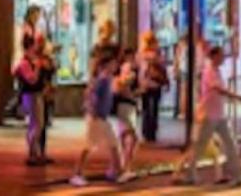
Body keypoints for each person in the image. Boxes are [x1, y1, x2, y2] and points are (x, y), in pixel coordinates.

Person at [173, 45, 241, 187]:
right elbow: (218, 89)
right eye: (220, 56)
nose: (223, 58)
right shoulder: (209, 71)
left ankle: (237, 174)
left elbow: (220, 90)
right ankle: (188, 174)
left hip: (217, 114)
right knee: (199, 147)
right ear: (213, 56)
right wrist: (238, 97)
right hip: (208, 115)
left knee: (229, 144)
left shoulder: (216, 71)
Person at [70, 47, 126, 186]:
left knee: (113, 144)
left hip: (102, 117)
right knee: (88, 145)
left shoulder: (106, 78)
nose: (116, 66)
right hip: (97, 118)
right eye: (113, 63)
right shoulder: (102, 79)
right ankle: (77, 173)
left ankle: (116, 171)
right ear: (106, 64)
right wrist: (93, 112)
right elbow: (92, 97)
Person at [16, 37, 47, 165]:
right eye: (34, 45)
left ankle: (36, 152)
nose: (36, 47)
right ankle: (32, 153)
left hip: (36, 94)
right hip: (30, 95)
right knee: (36, 124)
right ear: (30, 46)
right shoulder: (24, 63)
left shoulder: (32, 60)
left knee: (37, 124)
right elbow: (31, 80)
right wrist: (38, 68)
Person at [113, 47, 141, 180]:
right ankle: (125, 167)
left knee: (124, 135)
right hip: (127, 105)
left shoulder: (121, 70)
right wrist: (133, 95)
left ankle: (122, 166)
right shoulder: (129, 70)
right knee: (131, 136)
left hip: (122, 105)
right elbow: (124, 87)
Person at [137, 32, 169, 143]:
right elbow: (162, 68)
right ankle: (151, 132)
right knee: (153, 108)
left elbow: (139, 68)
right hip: (154, 83)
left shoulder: (141, 54)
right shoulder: (157, 54)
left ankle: (147, 131)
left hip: (145, 83)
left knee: (146, 108)